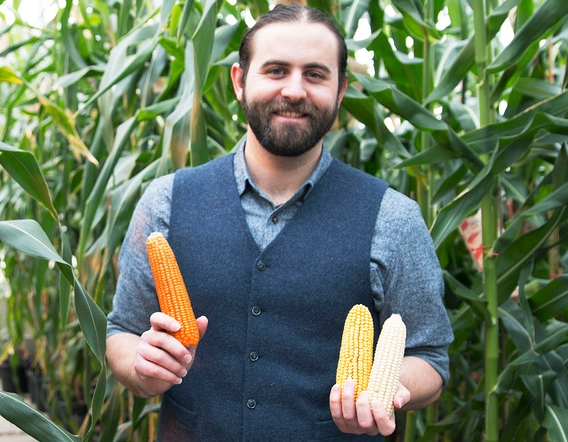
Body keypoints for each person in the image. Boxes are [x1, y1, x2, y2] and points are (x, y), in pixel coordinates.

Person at [105, 3, 454, 440]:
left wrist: (385, 389)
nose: (294, 90)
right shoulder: (166, 202)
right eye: (275, 70)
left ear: (341, 89)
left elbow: (428, 355)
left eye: (315, 74)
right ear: (239, 81)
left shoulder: (393, 217)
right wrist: (142, 366)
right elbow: (122, 332)